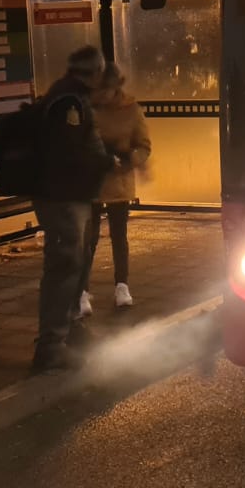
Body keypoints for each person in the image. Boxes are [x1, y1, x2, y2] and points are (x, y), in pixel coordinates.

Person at [30, 45, 115, 373]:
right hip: (62, 198)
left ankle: (66, 333)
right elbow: (73, 153)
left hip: (64, 195)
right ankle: (51, 346)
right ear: (94, 72)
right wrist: (109, 161)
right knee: (64, 266)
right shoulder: (69, 102)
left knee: (72, 263)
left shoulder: (65, 96)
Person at [76, 61, 152, 314]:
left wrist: (130, 159)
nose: (99, 95)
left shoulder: (131, 110)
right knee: (89, 238)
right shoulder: (85, 109)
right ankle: (82, 291)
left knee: (119, 237)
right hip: (91, 181)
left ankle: (122, 286)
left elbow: (144, 145)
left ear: (114, 88)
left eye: (104, 89)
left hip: (119, 181)